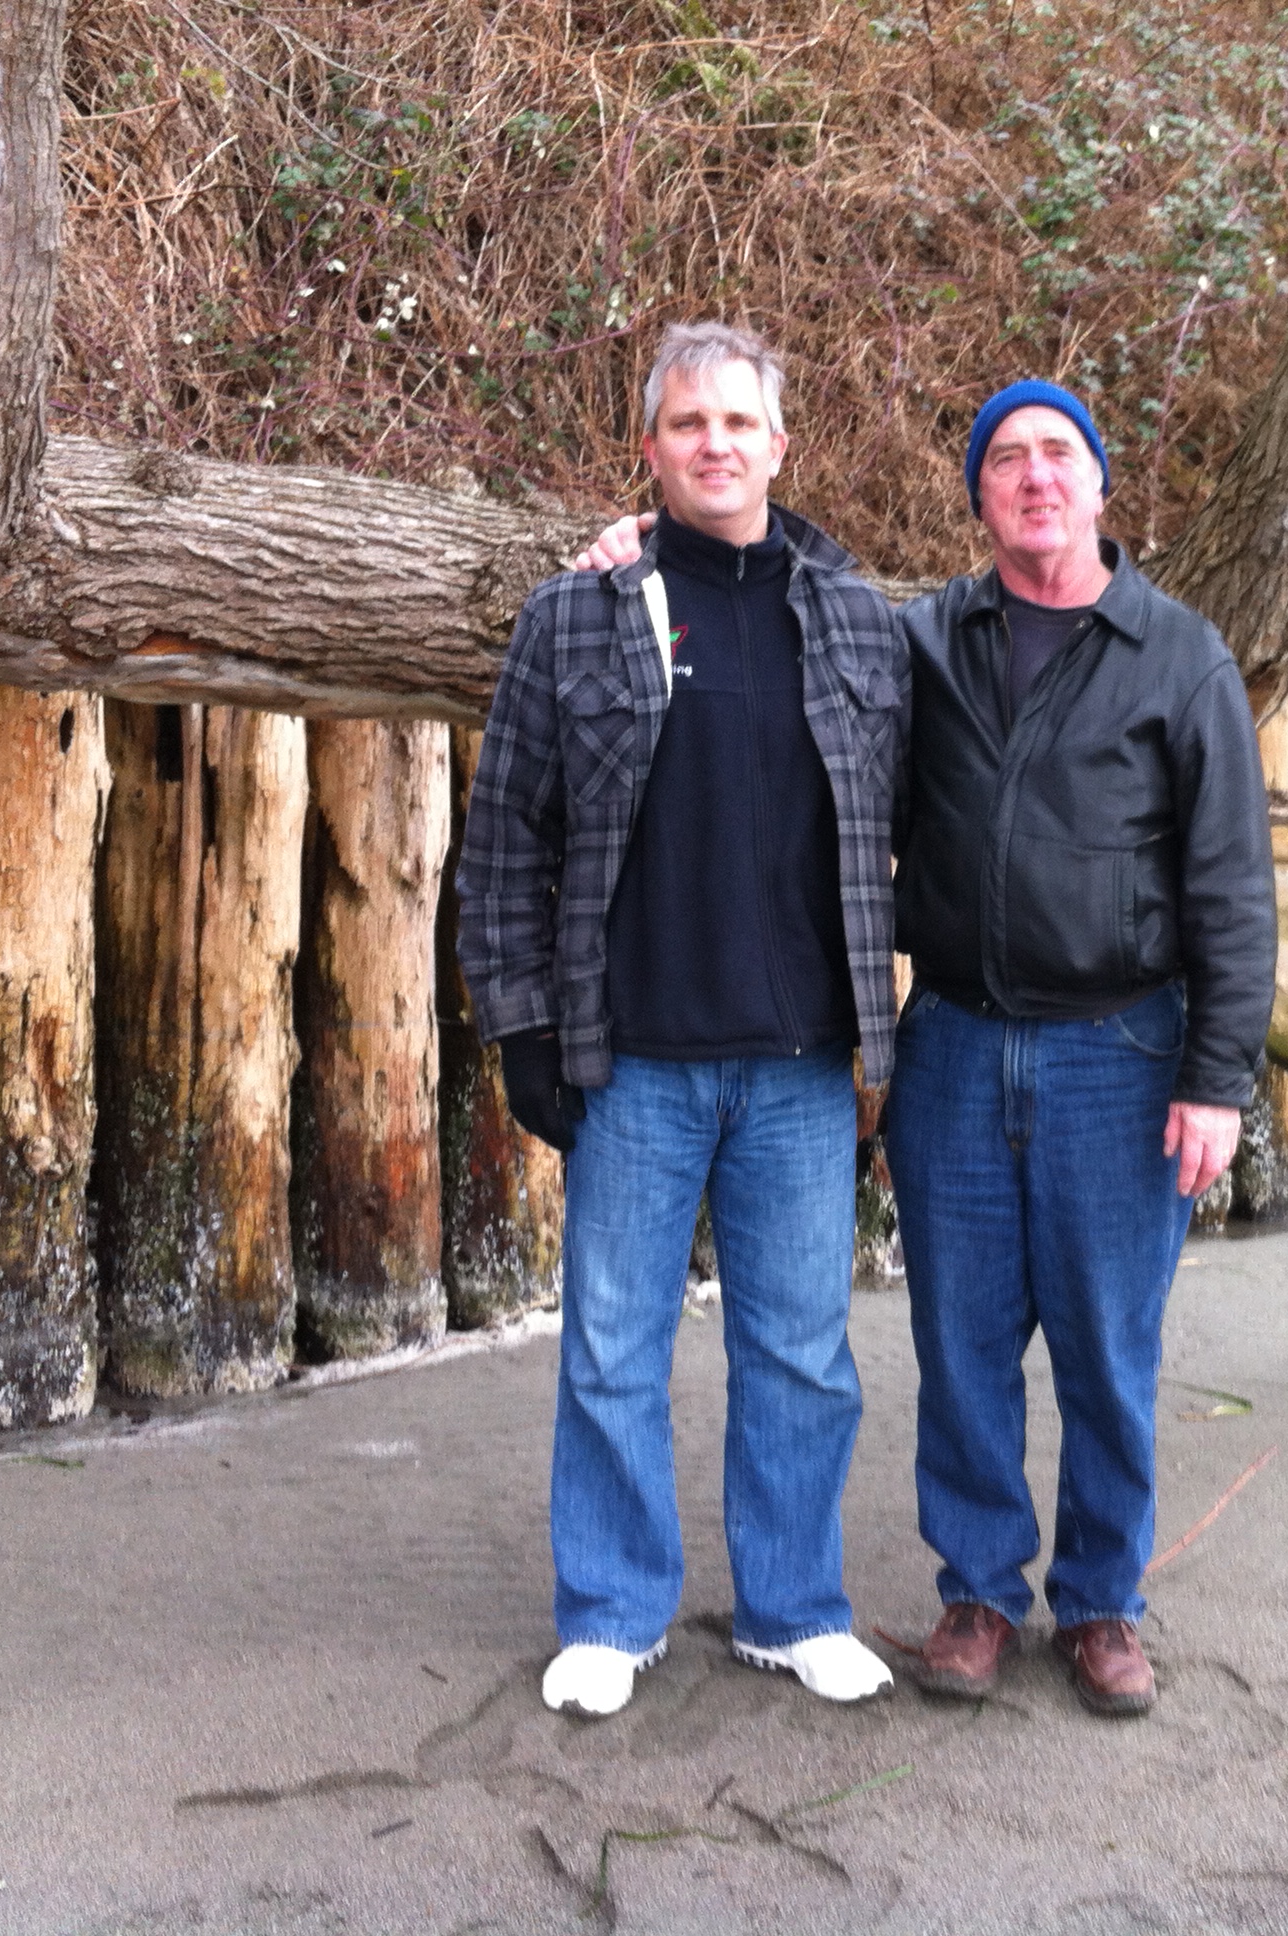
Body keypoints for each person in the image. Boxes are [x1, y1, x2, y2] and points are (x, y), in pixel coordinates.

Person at [576, 378, 1277, 1718]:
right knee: (961, 1343)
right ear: (979, 497)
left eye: (1059, 453)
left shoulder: (1179, 657)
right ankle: (978, 1592)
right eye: (1006, 459)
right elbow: (778, 637)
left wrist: (1217, 1078)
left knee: (1108, 1349)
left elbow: (1233, 886)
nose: (1035, 477)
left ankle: (1103, 1604)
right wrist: (641, 548)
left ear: (1100, 482)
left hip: (1120, 1054)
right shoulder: (921, 644)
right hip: (951, 1044)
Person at [457, 321, 909, 1719]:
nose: (716, 443)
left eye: (739, 422)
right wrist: (522, 1031)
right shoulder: (576, 614)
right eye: (688, 422)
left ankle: (793, 1607)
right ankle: (611, 1610)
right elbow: (502, 843)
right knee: (611, 1349)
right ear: (649, 447)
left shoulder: (858, 620)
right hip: (634, 1058)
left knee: (803, 1355)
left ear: (782, 445)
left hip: (801, 1066)